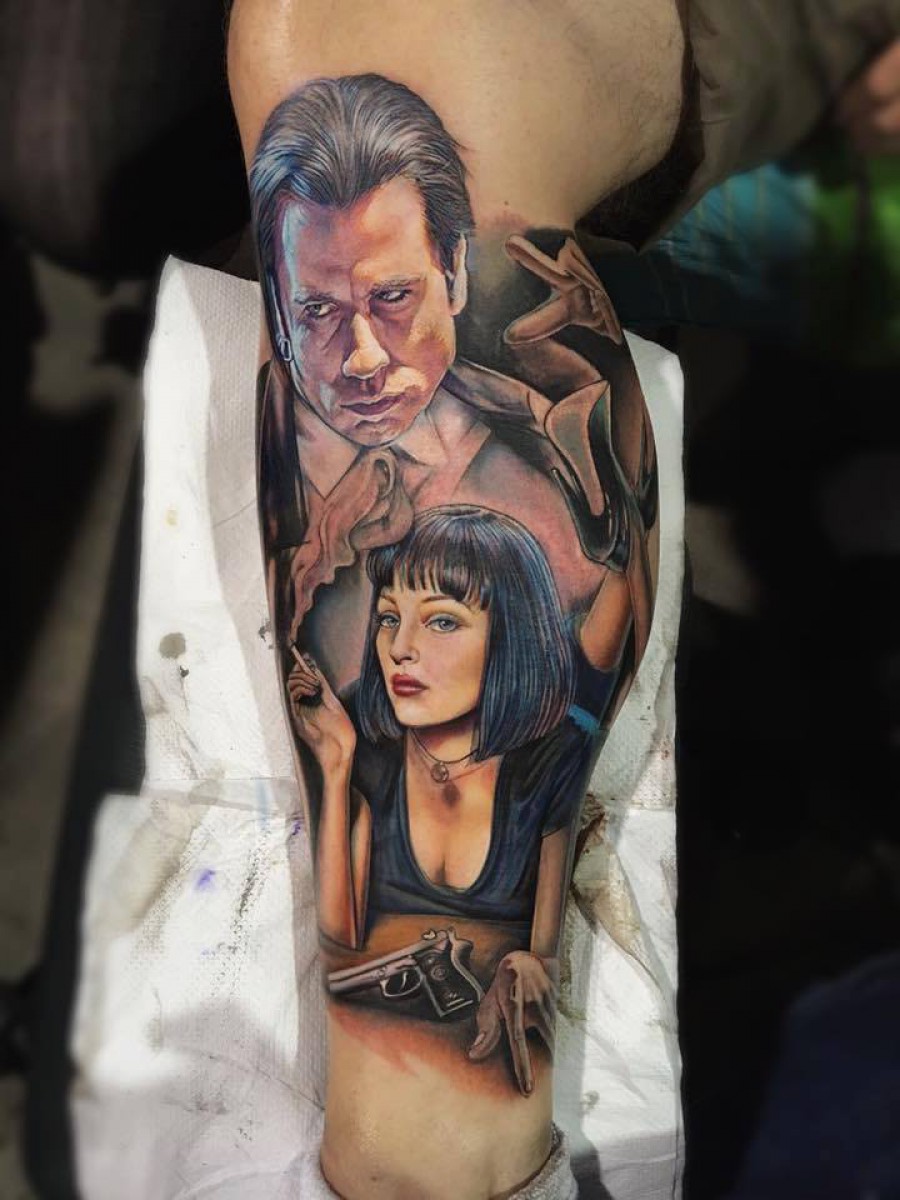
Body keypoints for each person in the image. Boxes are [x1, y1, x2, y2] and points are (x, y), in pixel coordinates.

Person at [251, 74, 654, 689]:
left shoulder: (537, 472)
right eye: (319, 311)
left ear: (456, 274)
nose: (362, 360)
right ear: (278, 313)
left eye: (393, 297)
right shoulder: (281, 433)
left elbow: (590, 658)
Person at [286, 505, 621, 1097]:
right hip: (378, 1063)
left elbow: (542, 954)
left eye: (442, 621)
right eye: (389, 618)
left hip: (488, 1084)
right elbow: (340, 950)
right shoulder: (365, 744)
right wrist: (335, 770)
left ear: (513, 636)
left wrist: (527, 966)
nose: (399, 648)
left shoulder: (550, 757)